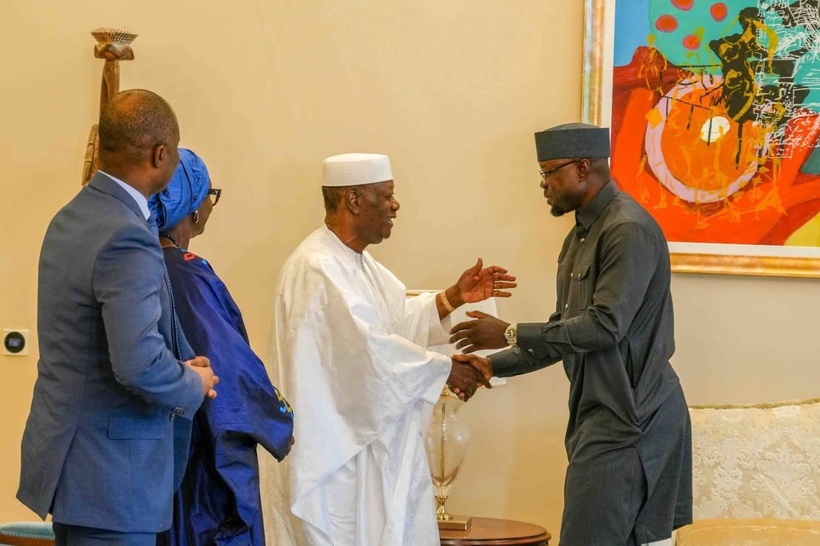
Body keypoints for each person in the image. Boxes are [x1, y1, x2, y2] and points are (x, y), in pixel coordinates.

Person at [450, 123, 692, 546]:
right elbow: (566, 332)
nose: (543, 185)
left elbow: (605, 325)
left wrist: (509, 332)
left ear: (583, 168)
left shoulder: (627, 229)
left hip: (632, 419)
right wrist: (491, 365)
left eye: (549, 173)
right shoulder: (579, 237)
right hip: (598, 415)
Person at [260, 153, 516, 546]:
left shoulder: (359, 264)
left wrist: (454, 296)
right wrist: (446, 369)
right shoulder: (316, 267)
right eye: (387, 195)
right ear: (354, 200)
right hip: (338, 462)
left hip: (369, 449)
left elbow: (394, 323)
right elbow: (366, 353)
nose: (395, 205)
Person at [17, 89, 218, 546]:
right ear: (160, 155)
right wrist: (193, 381)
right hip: (113, 477)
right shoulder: (126, 233)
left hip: (76, 464)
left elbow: (95, 344)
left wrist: (175, 366)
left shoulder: (73, 215)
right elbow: (138, 365)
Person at [148, 149, 295, 546]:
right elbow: (228, 366)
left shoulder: (139, 266)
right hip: (199, 451)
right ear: (192, 209)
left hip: (154, 454)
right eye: (210, 195)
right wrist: (278, 417)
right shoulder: (190, 275)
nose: (212, 205)